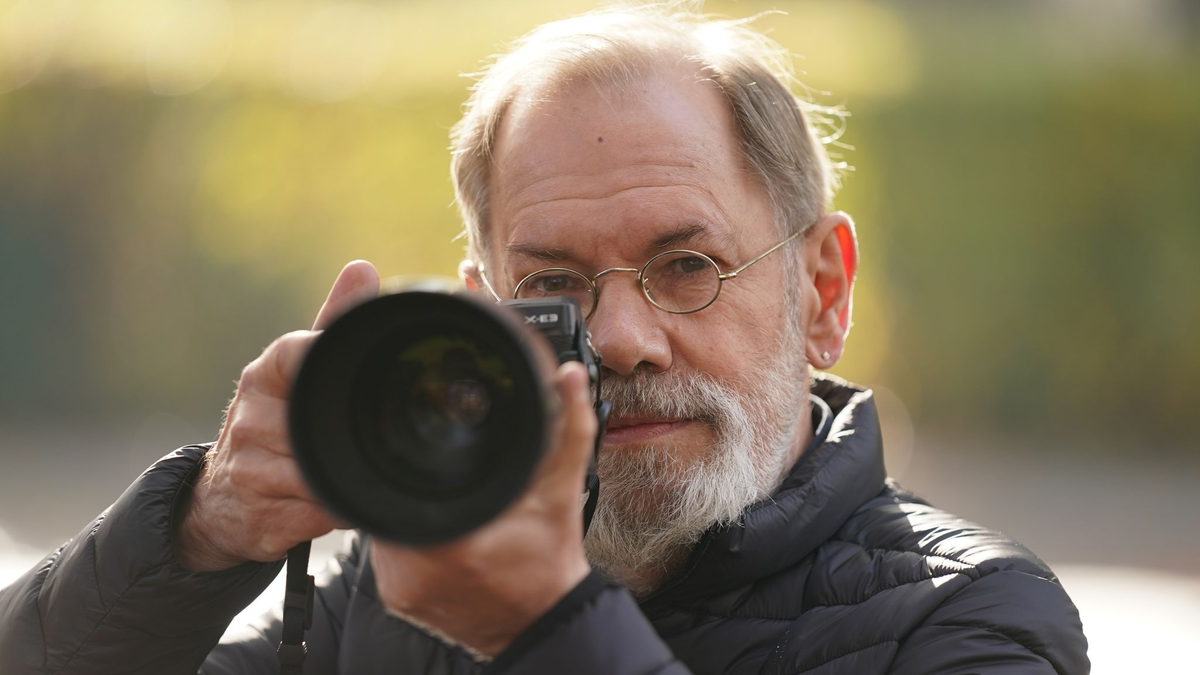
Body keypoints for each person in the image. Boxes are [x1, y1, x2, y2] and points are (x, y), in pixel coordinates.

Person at [0, 4, 1089, 674]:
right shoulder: (392, 588)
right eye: (555, 285)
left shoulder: (974, 620)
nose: (621, 338)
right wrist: (193, 538)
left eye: (687, 267)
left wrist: (540, 631)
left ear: (822, 290)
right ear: (488, 314)